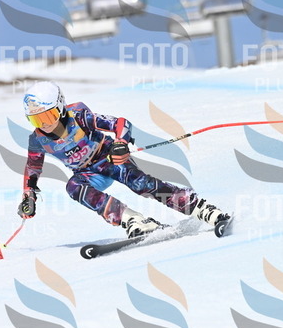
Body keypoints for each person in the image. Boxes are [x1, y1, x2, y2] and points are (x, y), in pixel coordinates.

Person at [17, 81, 230, 238]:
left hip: (109, 157)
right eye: (36, 120)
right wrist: (29, 196)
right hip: (87, 173)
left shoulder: (79, 117)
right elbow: (33, 167)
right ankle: (132, 219)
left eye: (48, 116)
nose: (44, 124)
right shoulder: (37, 140)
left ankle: (201, 208)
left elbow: (120, 123)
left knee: (140, 184)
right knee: (73, 187)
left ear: (61, 107)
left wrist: (120, 143)